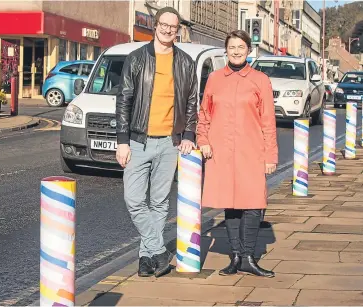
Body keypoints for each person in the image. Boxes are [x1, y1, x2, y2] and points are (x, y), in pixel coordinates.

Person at [115, 7, 198, 278]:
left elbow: (191, 102)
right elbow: (124, 100)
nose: (167, 30)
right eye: (163, 24)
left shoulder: (185, 62)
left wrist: (188, 135)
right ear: (155, 25)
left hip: (169, 142)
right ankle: (159, 250)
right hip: (138, 141)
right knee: (134, 199)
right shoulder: (137, 58)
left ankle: (146, 258)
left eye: (172, 27)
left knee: (160, 202)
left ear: (178, 30)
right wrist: (122, 141)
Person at [197, 30, 278, 278]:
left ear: (249, 50)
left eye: (240, 47)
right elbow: (204, 114)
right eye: (232, 47)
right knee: (230, 205)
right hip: (221, 151)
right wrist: (203, 140)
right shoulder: (214, 79)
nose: (236, 51)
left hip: (251, 151)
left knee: (253, 204)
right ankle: (234, 257)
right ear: (226, 50)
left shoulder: (260, 80)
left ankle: (248, 257)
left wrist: (270, 156)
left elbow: (268, 121)